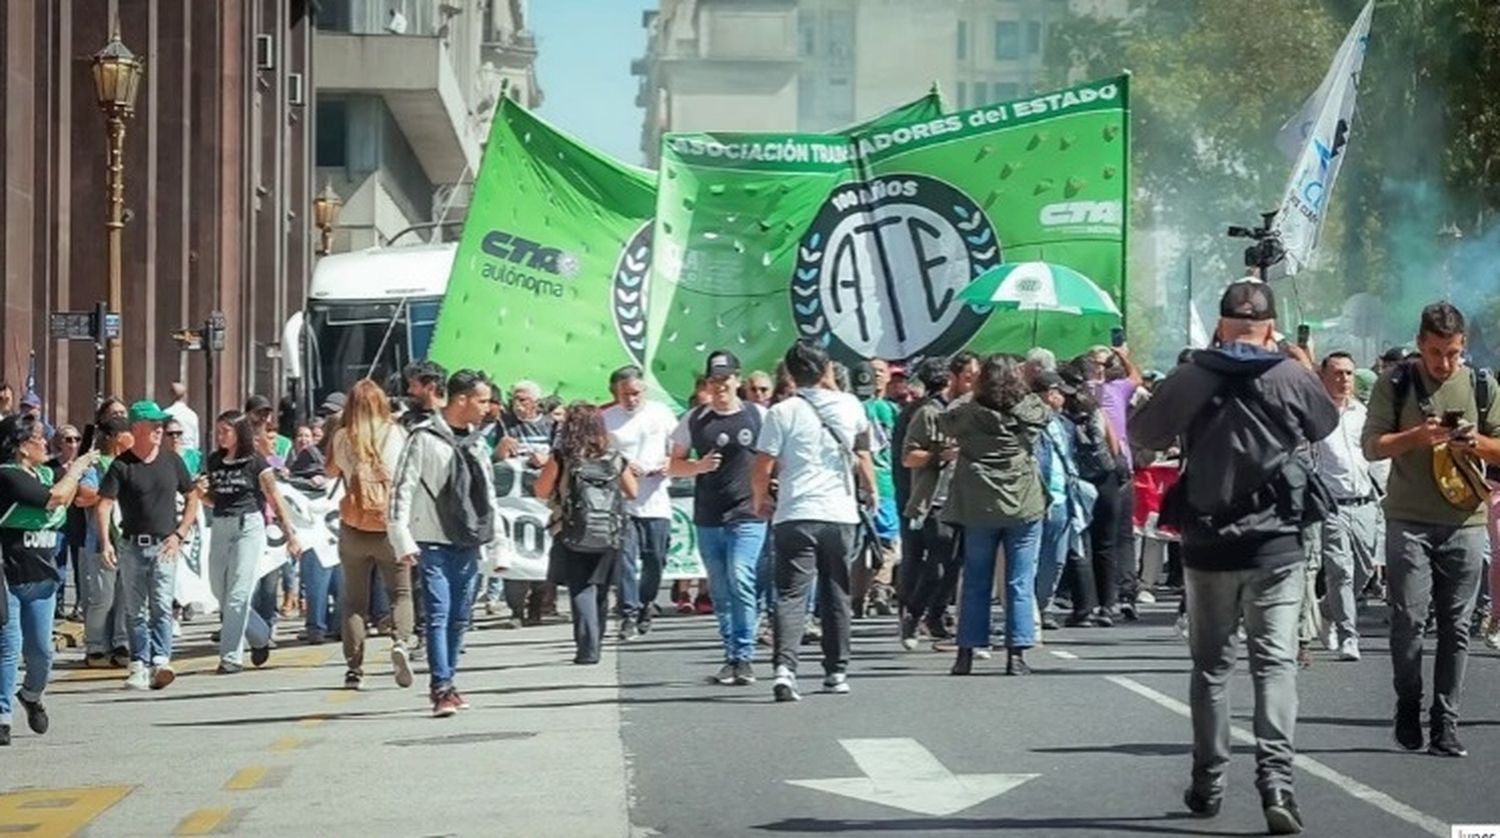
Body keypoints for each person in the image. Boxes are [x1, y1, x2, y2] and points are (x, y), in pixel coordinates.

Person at [1131, 279, 1337, 834]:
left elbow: (1144, 430)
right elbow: (1327, 423)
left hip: (1209, 542)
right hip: (1276, 542)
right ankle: (1277, 783)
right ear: (1269, 327)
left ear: (1221, 325)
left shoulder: (1194, 373)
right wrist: (1299, 363)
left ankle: (1208, 782)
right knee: (1273, 665)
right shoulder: (1290, 373)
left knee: (1212, 668)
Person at [1363, 302, 1500, 758]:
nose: (1446, 363)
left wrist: (1475, 442)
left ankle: (1446, 722)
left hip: (1466, 522)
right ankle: (1408, 702)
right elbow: (1372, 446)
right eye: (1437, 352)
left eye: (1454, 353)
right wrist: (1418, 437)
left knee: (1457, 627)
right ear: (1420, 344)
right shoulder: (1395, 382)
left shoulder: (1481, 385)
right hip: (1409, 521)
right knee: (1409, 621)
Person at [752, 340, 874, 701]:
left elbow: (762, 464)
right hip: (839, 513)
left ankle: (785, 669)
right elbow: (864, 453)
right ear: (827, 371)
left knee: (790, 593)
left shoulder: (782, 411)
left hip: (795, 512)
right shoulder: (852, 406)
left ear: (790, 374)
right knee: (837, 592)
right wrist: (870, 490)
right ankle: (836, 671)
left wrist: (761, 499)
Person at [389, 369, 506, 717]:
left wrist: (499, 544)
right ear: (461, 400)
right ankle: (440, 687)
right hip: (432, 541)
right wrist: (402, 538)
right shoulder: (422, 437)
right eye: (482, 400)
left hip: (468, 540)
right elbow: (401, 489)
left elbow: (489, 497)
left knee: (459, 617)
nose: (488, 407)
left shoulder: (477, 442)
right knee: (438, 614)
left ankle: (449, 681)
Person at [942, 356, 1050, 677]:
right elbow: (1042, 411)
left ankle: (966, 653)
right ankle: (1016, 655)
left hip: (979, 504)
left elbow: (945, 418)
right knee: (1018, 580)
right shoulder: (1030, 413)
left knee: (976, 579)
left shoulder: (966, 414)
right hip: (1023, 502)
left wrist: (971, 393)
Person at [670, 350, 768, 685]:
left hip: (748, 513)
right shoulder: (695, 419)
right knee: (721, 588)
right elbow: (672, 463)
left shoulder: (758, 415)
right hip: (709, 515)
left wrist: (771, 491)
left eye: (726, 379)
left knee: (741, 577)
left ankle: (745, 654)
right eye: (714, 380)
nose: (721, 385)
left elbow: (776, 457)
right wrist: (696, 467)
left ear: (738, 379)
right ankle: (731, 654)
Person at [0, 414, 96, 746]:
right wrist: (74, 471)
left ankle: (31, 693)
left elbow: (81, 496)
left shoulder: (45, 472)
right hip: (9, 574)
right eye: (39, 438)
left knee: (41, 651)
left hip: (43, 575)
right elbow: (54, 498)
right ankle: (2, 717)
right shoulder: (8, 476)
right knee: (8, 647)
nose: (46, 443)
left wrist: (80, 472)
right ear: (22, 446)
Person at [97, 401, 203, 691]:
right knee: (135, 610)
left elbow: (193, 497)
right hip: (132, 545)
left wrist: (180, 533)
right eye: (154, 425)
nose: (160, 430)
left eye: (161, 426)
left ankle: (160, 660)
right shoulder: (122, 466)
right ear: (137, 428)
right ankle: (138, 664)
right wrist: (106, 542)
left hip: (165, 545)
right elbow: (104, 505)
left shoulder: (172, 461)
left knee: (161, 605)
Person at [327, 378, 414, 690]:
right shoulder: (396, 433)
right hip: (390, 527)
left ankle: (354, 669)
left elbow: (330, 473)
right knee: (401, 593)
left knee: (353, 602)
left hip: (354, 527)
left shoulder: (341, 437)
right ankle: (401, 642)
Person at [537, 403, 638, 664]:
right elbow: (633, 491)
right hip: (610, 532)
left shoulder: (562, 457)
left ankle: (587, 647)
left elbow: (540, 489)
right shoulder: (615, 456)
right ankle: (597, 641)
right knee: (602, 588)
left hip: (573, 529)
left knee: (580, 587)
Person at [203, 412, 303, 673]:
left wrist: (290, 534)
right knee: (220, 592)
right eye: (219, 431)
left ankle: (230, 658)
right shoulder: (214, 461)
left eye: (226, 430)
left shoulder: (256, 462)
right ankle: (260, 636)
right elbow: (215, 498)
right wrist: (200, 493)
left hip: (248, 526)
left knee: (238, 595)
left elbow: (274, 496)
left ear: (239, 433)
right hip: (221, 525)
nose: (221, 435)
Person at [899, 353, 977, 646]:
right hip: (936, 499)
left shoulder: (974, 411)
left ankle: (937, 615)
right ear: (953, 378)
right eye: (968, 377)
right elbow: (909, 457)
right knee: (939, 561)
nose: (972, 384)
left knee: (957, 563)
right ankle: (914, 615)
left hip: (967, 499)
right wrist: (938, 456)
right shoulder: (930, 412)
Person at [1309, 352, 1377, 662]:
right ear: (1323, 377)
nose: (1344, 379)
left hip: (1365, 502)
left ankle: (1326, 608)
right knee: (1340, 572)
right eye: (1337, 373)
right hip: (1331, 505)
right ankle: (1350, 636)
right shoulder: (1315, 415)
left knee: (1363, 571)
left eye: (1349, 373)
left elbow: (1377, 456)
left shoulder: (1362, 413)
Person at [602, 366, 676, 639]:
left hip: (655, 499)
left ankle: (646, 602)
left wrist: (668, 464)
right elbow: (600, 455)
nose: (631, 400)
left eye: (636, 393)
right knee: (625, 560)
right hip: (622, 501)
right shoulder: (607, 419)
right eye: (625, 395)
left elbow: (676, 449)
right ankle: (628, 613)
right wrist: (621, 465)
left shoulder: (661, 413)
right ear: (615, 394)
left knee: (655, 559)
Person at [1034, 371, 1090, 631]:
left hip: (1064, 498)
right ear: (1045, 394)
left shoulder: (1064, 424)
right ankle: (1031, 608)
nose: (1061, 398)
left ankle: (1043, 605)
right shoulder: (1029, 423)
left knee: (1056, 559)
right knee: (1032, 558)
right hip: (1037, 498)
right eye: (1057, 393)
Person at [76, 415, 132, 667]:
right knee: (102, 597)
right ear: (116, 437)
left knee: (124, 595)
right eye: (126, 433)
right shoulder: (96, 465)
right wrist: (107, 495)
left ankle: (121, 642)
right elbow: (83, 495)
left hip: (127, 536)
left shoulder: (132, 462)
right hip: (100, 539)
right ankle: (95, 645)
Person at [849, 360, 898, 619]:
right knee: (887, 542)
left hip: (855, 482)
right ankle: (880, 587)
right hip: (884, 482)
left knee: (859, 544)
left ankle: (857, 597)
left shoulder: (847, 408)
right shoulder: (889, 409)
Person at [401, 360, 447, 431]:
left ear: (430, 387)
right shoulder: (408, 418)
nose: (409, 390)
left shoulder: (450, 418)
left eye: (414, 385)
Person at [244, 395, 292, 460]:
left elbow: (281, 468)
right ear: (246, 416)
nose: (263, 418)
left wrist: (268, 453)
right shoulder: (238, 441)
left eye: (266, 415)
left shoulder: (283, 444)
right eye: (258, 413)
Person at [164, 382, 201, 451]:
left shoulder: (166, 413)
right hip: (191, 451)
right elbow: (196, 441)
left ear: (171, 394)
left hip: (174, 452)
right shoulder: (192, 415)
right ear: (185, 395)